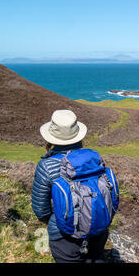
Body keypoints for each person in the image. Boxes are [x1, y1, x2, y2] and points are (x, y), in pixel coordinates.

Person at [32, 109, 114, 263]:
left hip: (64, 235)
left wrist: (62, 219)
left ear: (52, 137)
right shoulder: (94, 159)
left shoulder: (46, 166)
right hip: (97, 227)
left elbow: (40, 210)